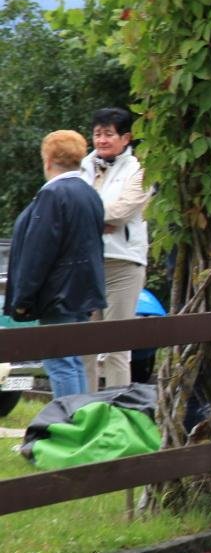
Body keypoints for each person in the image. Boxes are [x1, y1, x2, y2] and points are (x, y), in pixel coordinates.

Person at [4, 131, 107, 397]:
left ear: (48, 160)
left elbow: (39, 250)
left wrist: (24, 297)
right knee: (73, 360)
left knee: (60, 361)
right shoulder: (89, 193)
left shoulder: (53, 194)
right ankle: (79, 416)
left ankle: (67, 418)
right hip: (83, 291)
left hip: (58, 292)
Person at [80, 107, 152, 391]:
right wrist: (99, 220)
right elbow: (67, 208)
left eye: (108, 134)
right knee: (82, 345)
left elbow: (121, 212)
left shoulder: (139, 170)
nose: (101, 140)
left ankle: (116, 408)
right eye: (97, 134)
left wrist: (86, 218)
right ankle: (81, 408)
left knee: (117, 346)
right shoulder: (83, 166)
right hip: (85, 262)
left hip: (123, 264)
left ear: (126, 138)